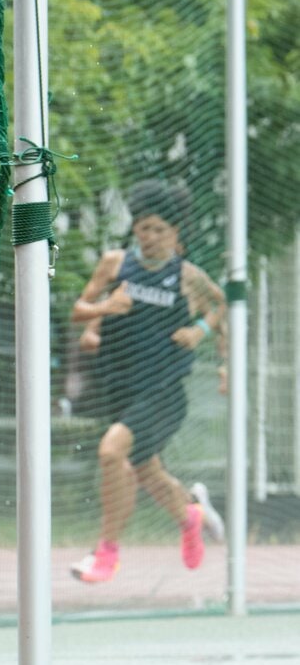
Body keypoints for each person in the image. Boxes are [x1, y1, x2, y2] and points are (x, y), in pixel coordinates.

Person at [68, 180, 226, 583]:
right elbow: (79, 310)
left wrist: (202, 333)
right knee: (147, 472)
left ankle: (106, 554)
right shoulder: (114, 264)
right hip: (121, 386)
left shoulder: (187, 276)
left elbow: (220, 306)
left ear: (175, 232)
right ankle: (190, 515)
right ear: (135, 228)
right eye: (144, 228)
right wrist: (106, 308)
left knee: (111, 451)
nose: (151, 236)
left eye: (160, 229)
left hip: (164, 390)